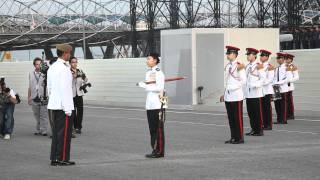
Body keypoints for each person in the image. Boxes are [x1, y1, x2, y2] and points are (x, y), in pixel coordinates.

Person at [47, 44, 75, 166]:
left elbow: (50, 87)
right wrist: (67, 108)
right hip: (64, 107)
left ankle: (54, 158)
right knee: (64, 135)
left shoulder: (52, 67)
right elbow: (65, 89)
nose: (70, 55)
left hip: (54, 104)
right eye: (69, 53)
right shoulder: (63, 69)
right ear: (65, 53)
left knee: (57, 133)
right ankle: (62, 158)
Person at [138, 53, 166, 158]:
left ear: (155, 60)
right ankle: (155, 149)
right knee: (152, 129)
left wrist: (145, 86)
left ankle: (160, 151)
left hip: (158, 104)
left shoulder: (159, 73)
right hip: (150, 104)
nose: (147, 61)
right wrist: (146, 85)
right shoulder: (149, 72)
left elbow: (159, 87)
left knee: (158, 129)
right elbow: (150, 86)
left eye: (149, 59)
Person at [220, 46, 246, 144]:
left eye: (229, 53)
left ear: (234, 55)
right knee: (231, 118)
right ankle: (233, 137)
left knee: (237, 118)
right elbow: (226, 81)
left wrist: (232, 88)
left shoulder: (239, 66)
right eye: (227, 53)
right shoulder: (228, 66)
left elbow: (243, 81)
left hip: (236, 95)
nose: (227, 55)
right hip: (229, 96)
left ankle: (239, 138)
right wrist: (224, 93)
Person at [244, 48, 265, 136]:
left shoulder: (259, 65)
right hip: (249, 93)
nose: (248, 56)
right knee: (251, 113)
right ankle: (253, 129)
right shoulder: (248, 66)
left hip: (256, 93)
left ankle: (259, 130)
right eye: (247, 55)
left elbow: (263, 79)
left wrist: (255, 85)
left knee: (257, 112)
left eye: (249, 55)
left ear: (254, 55)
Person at [28, 57, 48, 136]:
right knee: (37, 115)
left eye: (40, 64)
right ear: (34, 65)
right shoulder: (30, 74)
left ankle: (44, 130)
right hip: (34, 96)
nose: (38, 66)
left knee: (44, 115)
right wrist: (29, 97)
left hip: (43, 96)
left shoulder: (45, 74)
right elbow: (29, 86)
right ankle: (39, 129)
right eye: (37, 64)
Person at [70, 57, 88, 135]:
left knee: (80, 111)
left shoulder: (80, 71)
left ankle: (78, 127)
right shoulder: (68, 71)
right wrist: (75, 75)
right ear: (70, 63)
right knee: (73, 112)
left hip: (79, 94)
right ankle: (74, 126)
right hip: (72, 94)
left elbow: (86, 80)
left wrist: (83, 76)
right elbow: (70, 80)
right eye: (73, 62)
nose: (75, 63)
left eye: (76, 62)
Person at [260, 49, 274, 130]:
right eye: (260, 56)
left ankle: (268, 125)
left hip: (267, 90)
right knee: (262, 108)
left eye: (262, 56)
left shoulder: (270, 67)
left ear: (267, 57)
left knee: (267, 109)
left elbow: (270, 79)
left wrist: (261, 83)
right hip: (261, 91)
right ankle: (263, 124)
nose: (260, 57)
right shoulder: (259, 66)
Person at [273, 52, 289, 124]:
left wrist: (278, 83)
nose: (278, 59)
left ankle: (284, 119)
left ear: (283, 59)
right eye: (277, 58)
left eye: (279, 58)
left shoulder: (287, 67)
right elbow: (275, 78)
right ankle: (279, 119)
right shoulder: (277, 68)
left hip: (283, 89)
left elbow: (287, 78)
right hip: (276, 89)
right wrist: (273, 84)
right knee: (277, 105)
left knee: (283, 105)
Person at [285, 53, 299, 120]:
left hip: (289, 86)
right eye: (285, 58)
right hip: (283, 86)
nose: (286, 60)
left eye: (287, 59)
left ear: (290, 59)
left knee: (289, 101)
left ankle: (291, 114)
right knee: (285, 101)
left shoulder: (293, 67)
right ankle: (286, 114)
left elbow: (297, 77)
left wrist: (290, 80)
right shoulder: (284, 66)